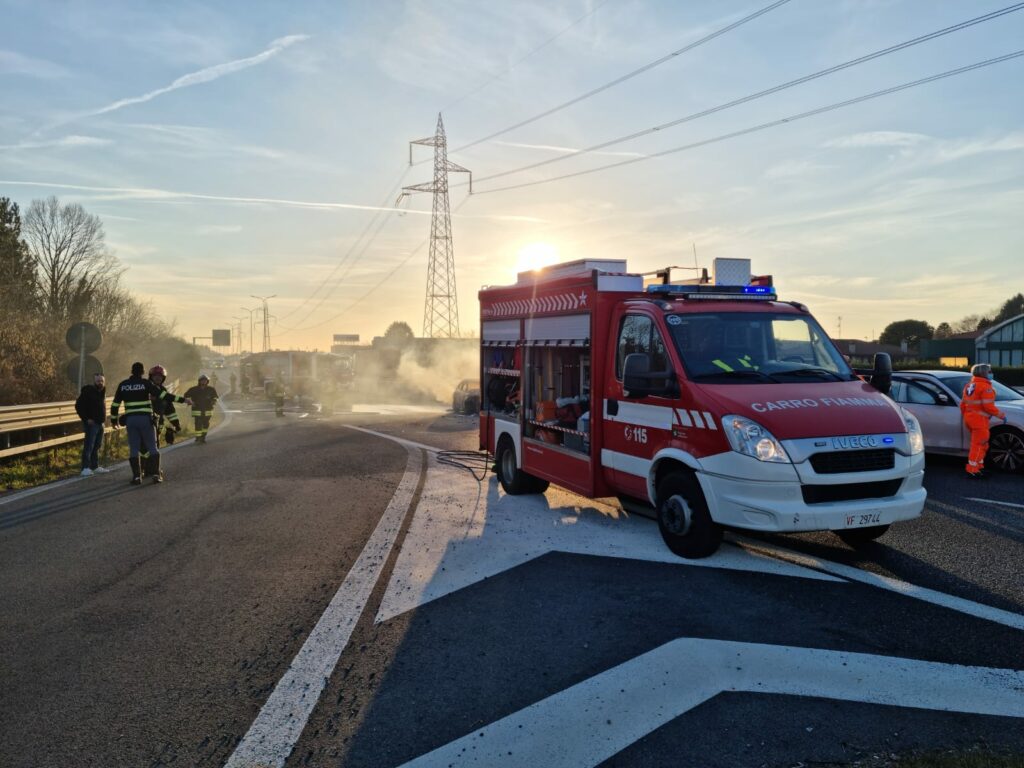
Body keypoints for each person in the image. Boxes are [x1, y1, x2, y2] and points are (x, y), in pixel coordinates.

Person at [110, 362, 191, 485]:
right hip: (145, 420)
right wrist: (184, 400)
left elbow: (115, 404)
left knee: (134, 449)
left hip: (131, 420)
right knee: (153, 447)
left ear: (132, 371)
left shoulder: (123, 385)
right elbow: (164, 395)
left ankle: (137, 477)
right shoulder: (146, 384)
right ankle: (156, 474)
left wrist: (114, 420)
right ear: (143, 372)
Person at [960, 363, 1008, 479]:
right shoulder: (985, 387)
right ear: (983, 373)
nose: (991, 373)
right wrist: (1001, 415)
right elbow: (988, 407)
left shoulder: (969, 386)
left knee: (982, 445)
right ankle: (972, 470)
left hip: (970, 419)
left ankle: (979, 467)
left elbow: (963, 404)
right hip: (980, 421)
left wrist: (968, 416)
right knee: (978, 445)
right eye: (989, 371)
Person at [74, 372, 111, 476]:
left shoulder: (102, 391)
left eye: (102, 381)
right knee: (89, 445)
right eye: (98, 381)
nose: (100, 383)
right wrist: (86, 419)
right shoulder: (88, 391)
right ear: (94, 381)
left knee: (97, 446)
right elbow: (78, 406)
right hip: (92, 424)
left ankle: (94, 466)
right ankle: (85, 468)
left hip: (100, 423)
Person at [184, 374, 219, 443]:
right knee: (198, 423)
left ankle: (203, 437)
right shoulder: (193, 389)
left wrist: (213, 401)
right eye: (202, 380)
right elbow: (186, 395)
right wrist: (190, 401)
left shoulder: (211, 389)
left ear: (207, 381)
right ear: (199, 381)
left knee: (206, 424)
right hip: (197, 409)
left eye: (205, 380)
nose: (203, 382)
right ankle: (198, 437)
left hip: (208, 410)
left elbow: (215, 397)